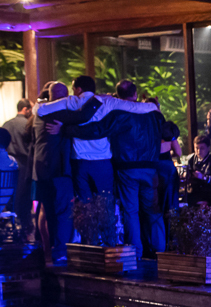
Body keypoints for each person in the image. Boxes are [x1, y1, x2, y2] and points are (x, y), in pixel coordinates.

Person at [50, 79, 166, 260]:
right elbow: (169, 132)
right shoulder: (153, 113)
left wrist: (66, 129)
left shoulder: (120, 113)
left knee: (131, 211)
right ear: (135, 94)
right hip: (150, 168)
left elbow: (98, 130)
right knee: (153, 210)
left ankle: (135, 252)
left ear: (118, 96)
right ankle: (160, 250)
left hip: (127, 168)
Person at [33, 82, 95, 263]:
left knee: (47, 211)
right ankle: (60, 251)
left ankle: (48, 251)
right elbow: (83, 118)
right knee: (63, 211)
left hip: (41, 169)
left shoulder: (40, 112)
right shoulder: (60, 113)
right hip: (58, 170)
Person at [3, 99, 33, 240]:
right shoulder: (27, 124)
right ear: (26, 109)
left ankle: (10, 226)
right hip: (24, 164)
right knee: (24, 197)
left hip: (8, 164)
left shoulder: (7, 124)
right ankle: (24, 228)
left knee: (11, 196)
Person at [185, 134, 211, 213]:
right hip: (196, 191)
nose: (198, 151)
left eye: (202, 148)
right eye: (196, 148)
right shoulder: (190, 159)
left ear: (208, 148)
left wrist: (204, 177)